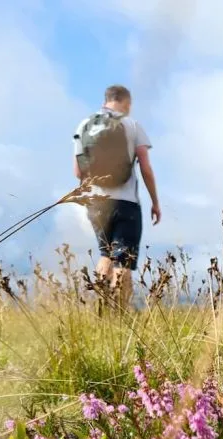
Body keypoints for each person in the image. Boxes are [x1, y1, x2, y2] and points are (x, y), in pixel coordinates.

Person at [72, 84, 160, 310]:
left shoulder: (84, 125)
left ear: (106, 99)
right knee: (123, 261)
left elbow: (78, 172)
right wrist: (155, 202)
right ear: (126, 102)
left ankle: (101, 308)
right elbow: (146, 168)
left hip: (96, 203)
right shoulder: (131, 125)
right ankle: (120, 316)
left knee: (105, 254)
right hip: (126, 202)